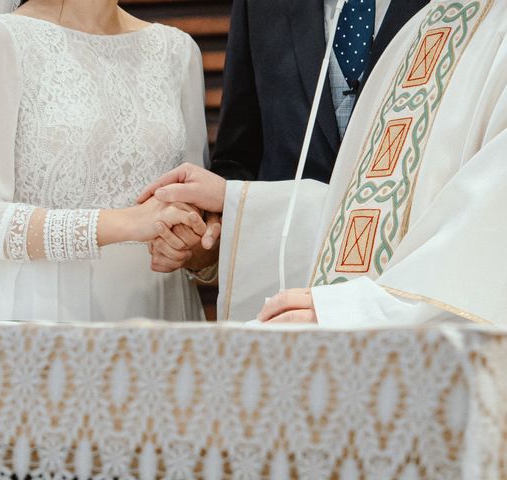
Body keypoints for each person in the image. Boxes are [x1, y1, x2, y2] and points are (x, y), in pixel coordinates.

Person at [140, 0, 507, 326]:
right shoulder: (440, 20)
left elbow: (472, 216)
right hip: (286, 292)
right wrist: (221, 224)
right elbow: (240, 155)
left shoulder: (456, 17)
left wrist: (354, 309)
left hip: (402, 309)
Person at [0, 0, 209, 322]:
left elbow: (193, 201)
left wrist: (187, 243)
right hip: (38, 313)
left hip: (159, 309)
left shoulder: (177, 50)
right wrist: (129, 223)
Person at [149, 0, 429, 274]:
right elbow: (238, 156)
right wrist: (208, 237)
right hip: (285, 276)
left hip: (407, 270)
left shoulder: (453, 8)